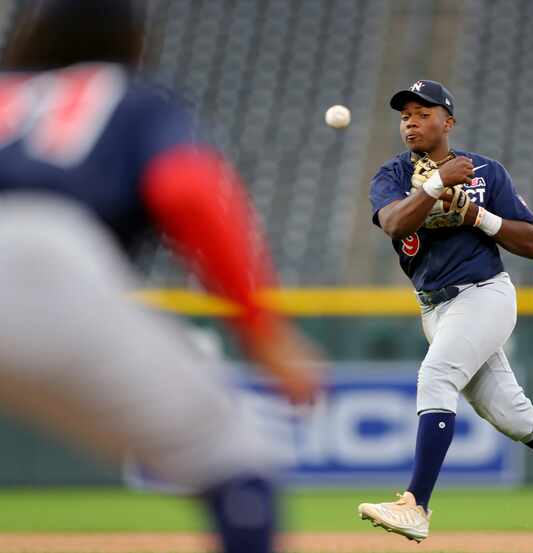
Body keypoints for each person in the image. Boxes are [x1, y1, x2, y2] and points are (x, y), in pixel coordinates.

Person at [0, 2, 320, 552]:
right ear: (133, 42)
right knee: (235, 457)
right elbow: (189, 192)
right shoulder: (135, 98)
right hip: (47, 258)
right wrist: (262, 329)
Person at [358, 80, 533, 542]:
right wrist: (435, 185)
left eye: (422, 112)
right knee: (515, 417)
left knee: (436, 377)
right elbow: (393, 222)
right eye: (404, 114)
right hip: (435, 309)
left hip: (484, 295)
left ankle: (416, 505)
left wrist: (477, 217)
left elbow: (530, 242)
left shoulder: (485, 173)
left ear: (448, 122)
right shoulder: (391, 174)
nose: (410, 121)